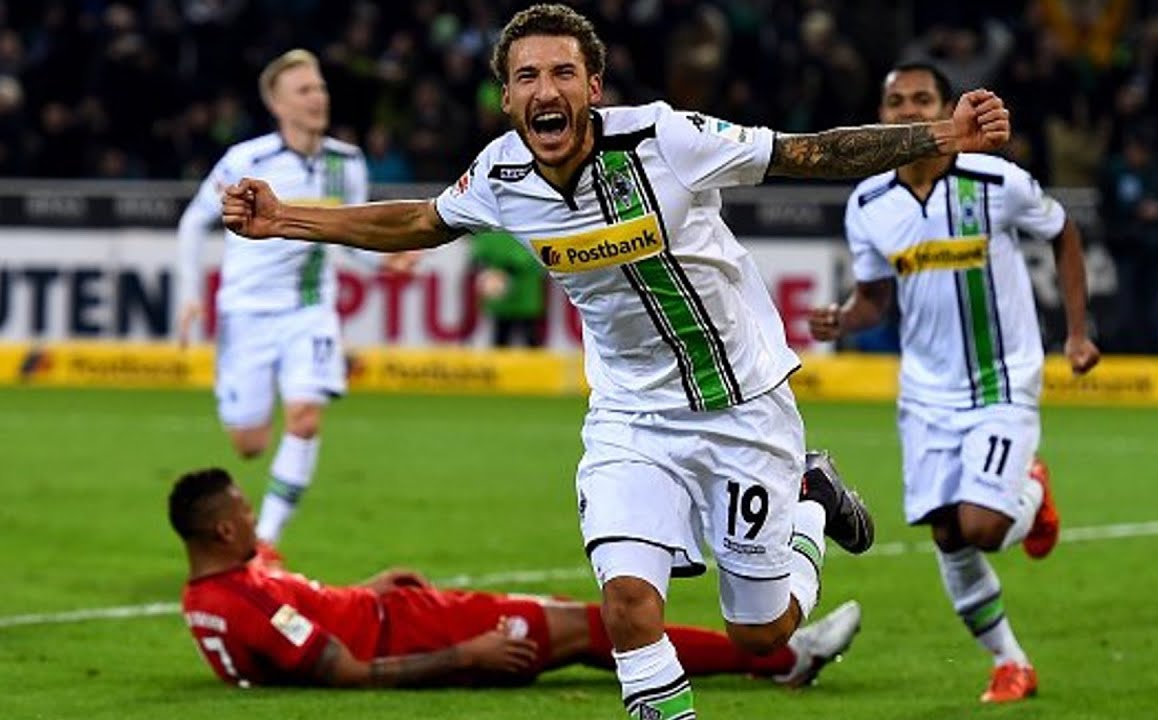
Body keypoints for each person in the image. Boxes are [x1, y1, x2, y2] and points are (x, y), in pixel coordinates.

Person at [221, 5, 1010, 717]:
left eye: (563, 72)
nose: (546, 89)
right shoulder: (500, 173)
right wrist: (287, 218)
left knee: (760, 633)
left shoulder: (667, 139)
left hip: (743, 406)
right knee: (630, 607)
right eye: (527, 76)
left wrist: (941, 138)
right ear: (507, 98)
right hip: (631, 417)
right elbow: (422, 221)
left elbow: (809, 153)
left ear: (593, 87)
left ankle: (808, 501)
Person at [808, 62, 1101, 703]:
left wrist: (1077, 334)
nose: (909, 110)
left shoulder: (996, 180)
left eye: (923, 99)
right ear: (880, 116)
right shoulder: (868, 204)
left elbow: (1063, 232)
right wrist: (842, 319)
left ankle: (1031, 490)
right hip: (925, 393)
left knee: (984, 527)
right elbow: (874, 301)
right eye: (896, 101)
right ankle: (1010, 663)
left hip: (1001, 379)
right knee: (948, 534)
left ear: (946, 109)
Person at [170, 467, 862, 689]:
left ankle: (775, 658)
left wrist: (366, 590)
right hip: (421, 637)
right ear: (224, 532)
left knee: (585, 621)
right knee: (600, 623)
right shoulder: (248, 599)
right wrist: (466, 656)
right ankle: (782, 657)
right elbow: (345, 671)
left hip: (401, 615)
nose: (256, 519)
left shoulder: (209, 593)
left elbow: (295, 610)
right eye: (245, 512)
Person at [175, 49, 415, 560]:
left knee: (305, 419)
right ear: (277, 104)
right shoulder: (246, 161)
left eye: (320, 87)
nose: (317, 97)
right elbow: (194, 221)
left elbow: (351, 239)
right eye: (304, 90)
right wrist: (191, 295)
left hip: (309, 309)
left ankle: (265, 544)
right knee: (249, 443)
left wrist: (385, 260)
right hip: (245, 313)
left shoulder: (347, 163)